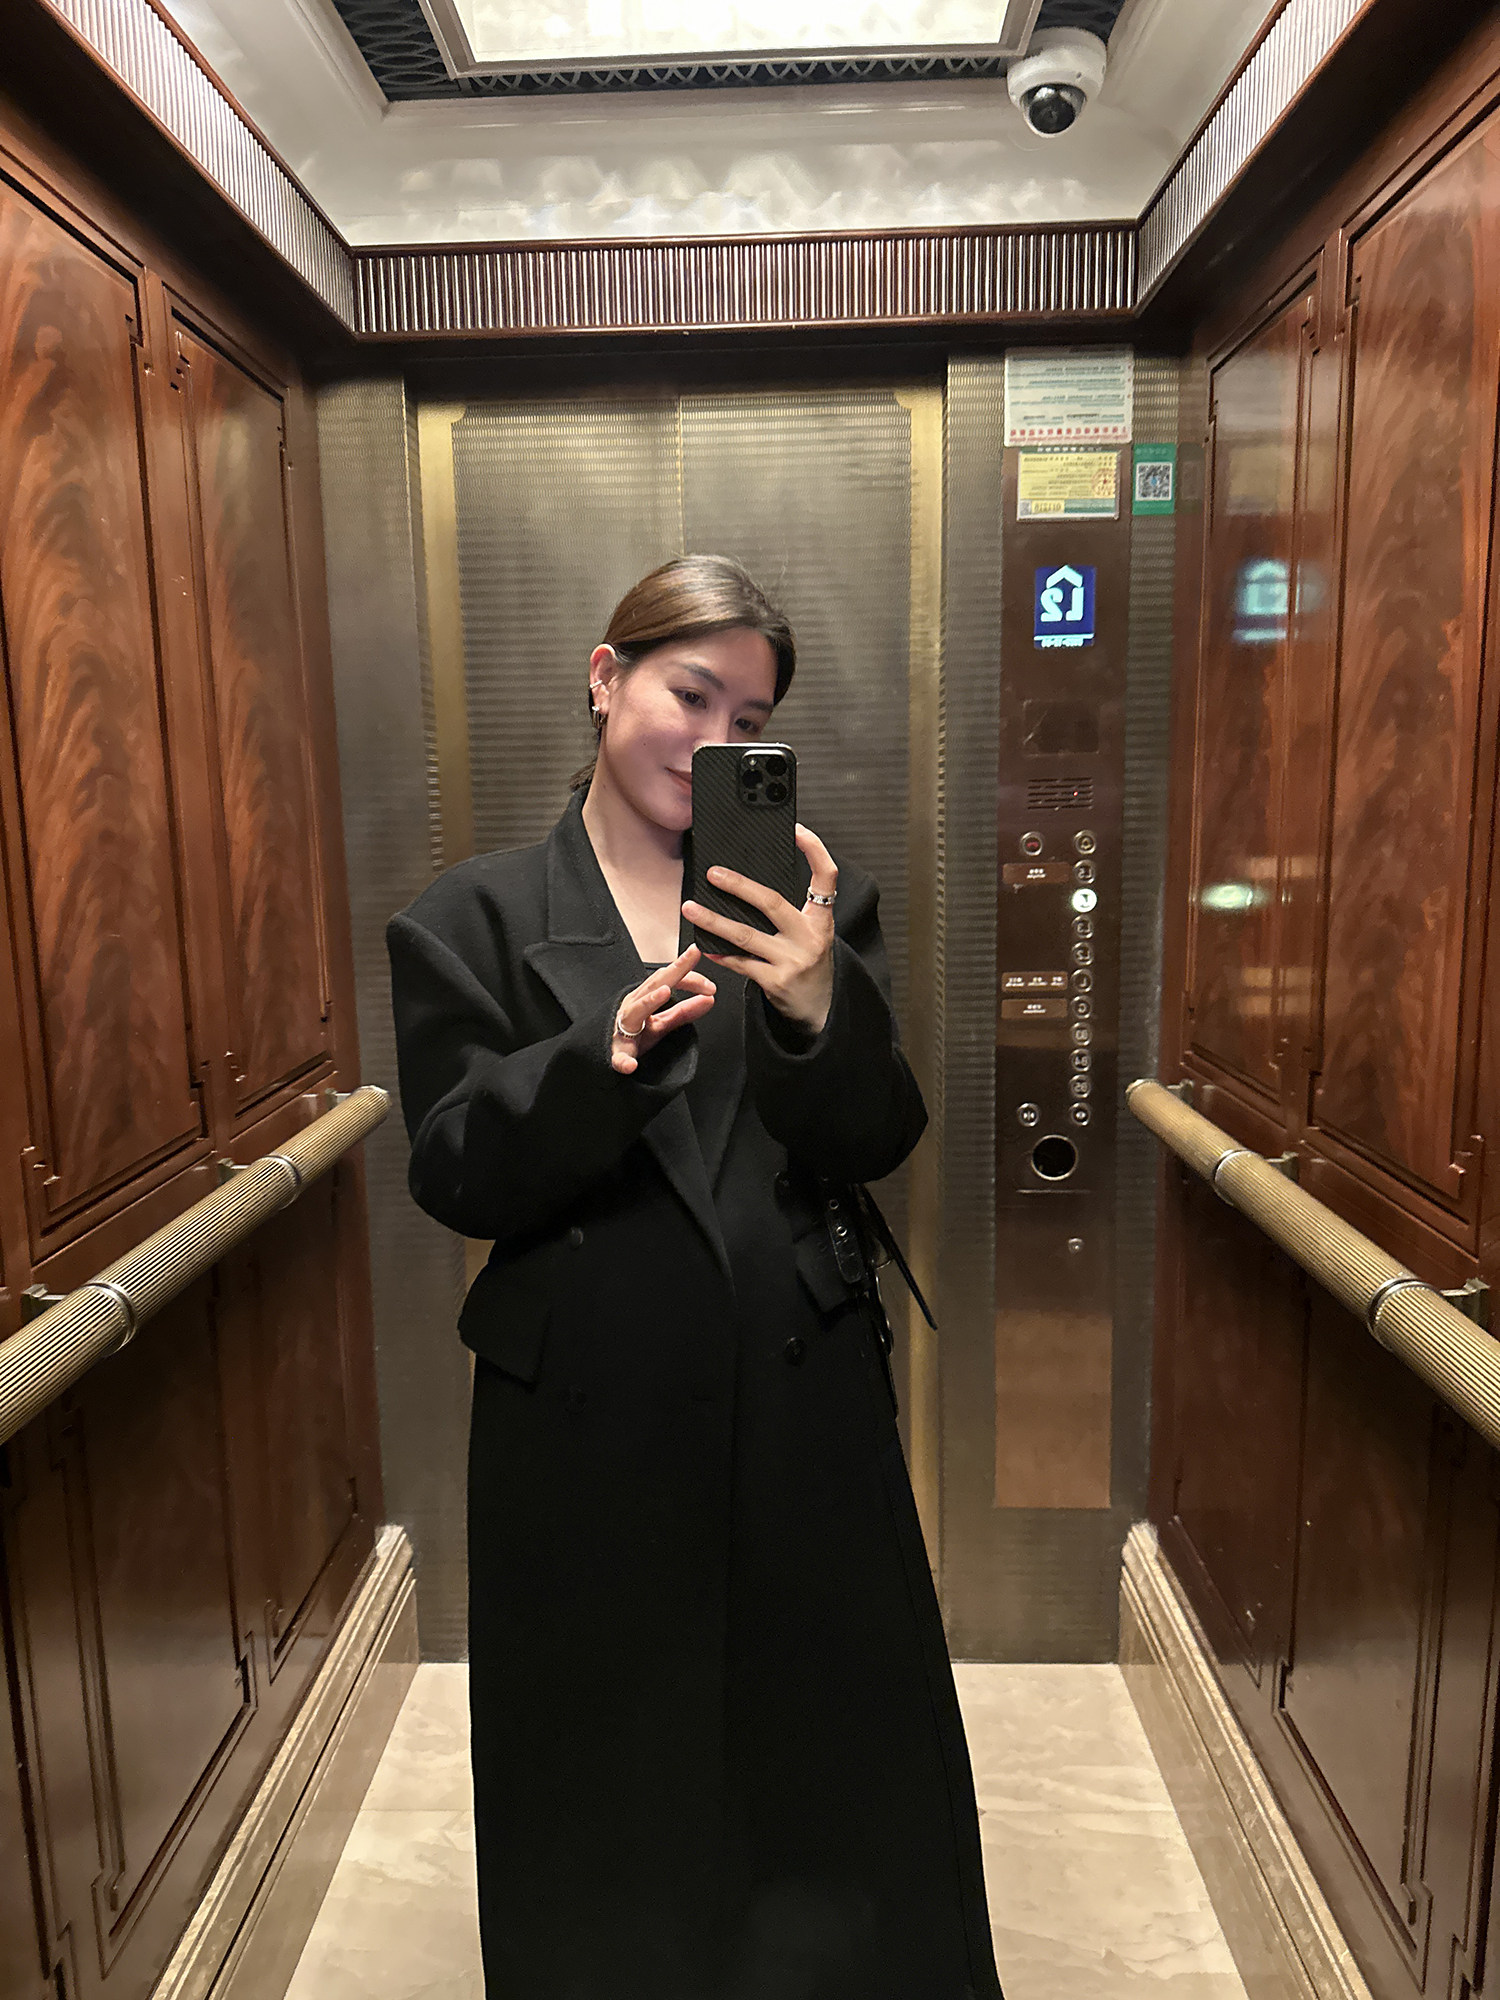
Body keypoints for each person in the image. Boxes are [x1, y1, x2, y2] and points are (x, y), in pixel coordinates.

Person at [387, 553, 1003, 2000]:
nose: (715, 740)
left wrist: (817, 1010)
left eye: (751, 720)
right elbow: (454, 1169)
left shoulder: (811, 910)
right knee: (604, 1788)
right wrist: (594, 1061)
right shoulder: (470, 919)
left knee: (830, 1780)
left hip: (803, 1417)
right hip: (582, 1435)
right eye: (692, 694)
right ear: (606, 680)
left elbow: (876, 1137)